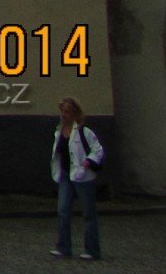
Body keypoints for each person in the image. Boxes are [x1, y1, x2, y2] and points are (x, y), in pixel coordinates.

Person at [49, 96, 105, 260]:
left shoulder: (83, 131)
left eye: (67, 111)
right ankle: (63, 247)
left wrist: (88, 162)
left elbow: (97, 150)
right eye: (62, 111)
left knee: (88, 213)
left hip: (82, 176)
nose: (64, 115)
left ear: (74, 113)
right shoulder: (59, 132)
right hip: (66, 174)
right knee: (63, 211)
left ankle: (92, 250)